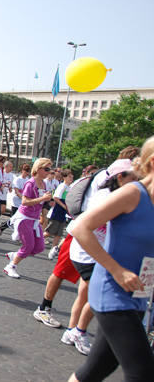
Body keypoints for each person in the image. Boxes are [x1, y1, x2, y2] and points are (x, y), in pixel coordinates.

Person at [68, 138, 154, 382]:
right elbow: (81, 227)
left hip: (138, 294)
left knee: (96, 369)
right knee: (143, 374)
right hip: (112, 292)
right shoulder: (133, 193)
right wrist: (117, 270)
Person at [61, 159, 137, 356]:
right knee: (100, 295)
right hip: (88, 253)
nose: (137, 183)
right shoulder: (105, 197)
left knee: (85, 294)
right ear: (120, 178)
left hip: (97, 252)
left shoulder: (117, 195)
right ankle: (79, 331)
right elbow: (87, 227)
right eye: (134, 178)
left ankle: (71, 331)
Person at [3, 158, 52, 278]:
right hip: (24, 218)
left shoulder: (44, 184)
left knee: (40, 247)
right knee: (28, 247)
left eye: (49, 169)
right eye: (46, 169)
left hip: (34, 219)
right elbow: (24, 202)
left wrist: (49, 202)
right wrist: (42, 199)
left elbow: (41, 201)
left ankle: (16, 255)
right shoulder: (30, 183)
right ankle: (11, 267)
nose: (48, 171)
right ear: (38, 168)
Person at [44, 169, 74, 258]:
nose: (71, 178)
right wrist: (64, 206)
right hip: (57, 211)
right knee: (50, 232)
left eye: (72, 176)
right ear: (64, 177)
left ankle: (53, 249)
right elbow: (56, 197)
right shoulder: (62, 186)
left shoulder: (69, 187)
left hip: (63, 213)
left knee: (59, 233)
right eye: (69, 176)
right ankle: (36, 240)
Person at [0, 163, 31, 235]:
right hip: (16, 201)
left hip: (23, 203)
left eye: (28, 171)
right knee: (14, 218)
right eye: (26, 170)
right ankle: (2, 226)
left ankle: (18, 233)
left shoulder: (28, 180)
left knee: (21, 218)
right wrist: (22, 198)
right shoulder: (17, 179)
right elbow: (16, 191)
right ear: (22, 170)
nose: (27, 172)